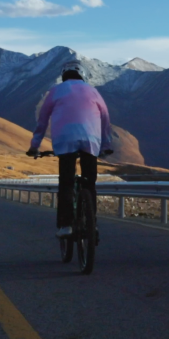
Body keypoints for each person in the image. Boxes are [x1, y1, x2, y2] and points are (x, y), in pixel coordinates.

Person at [27, 60, 113, 237]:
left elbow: (42, 121)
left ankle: (66, 225)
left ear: (64, 75)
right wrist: (106, 145)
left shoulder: (55, 91)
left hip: (64, 140)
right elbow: (105, 119)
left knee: (66, 182)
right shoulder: (93, 91)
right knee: (89, 183)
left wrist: (34, 146)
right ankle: (92, 224)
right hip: (91, 141)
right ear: (83, 75)